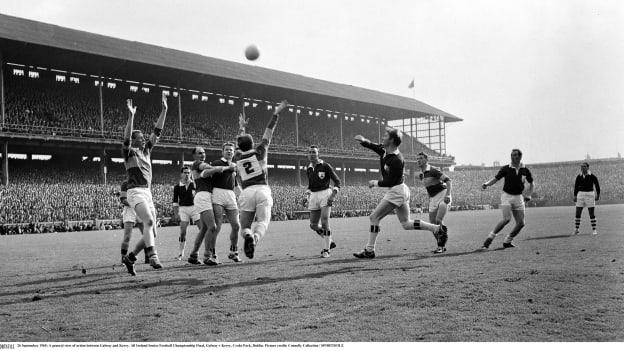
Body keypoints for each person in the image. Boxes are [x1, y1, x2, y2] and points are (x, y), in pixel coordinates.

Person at [352, 128, 447, 259]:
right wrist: (364, 141)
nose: (383, 137)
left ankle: (369, 250)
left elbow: (390, 181)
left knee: (374, 217)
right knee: (406, 224)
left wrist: (375, 183)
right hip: (400, 190)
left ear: (391, 140)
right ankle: (436, 229)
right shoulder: (386, 151)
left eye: (386, 135)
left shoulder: (397, 159)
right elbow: (373, 146)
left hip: (396, 190)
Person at [121, 92, 168, 276]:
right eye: (139, 138)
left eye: (142, 138)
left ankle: (130, 258)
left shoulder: (147, 151)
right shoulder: (129, 153)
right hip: (135, 192)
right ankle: (153, 255)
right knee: (148, 221)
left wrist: (164, 110)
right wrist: (131, 116)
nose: (143, 139)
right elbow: (125, 138)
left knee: (152, 231)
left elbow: (157, 131)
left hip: (147, 192)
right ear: (134, 141)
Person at [233, 100, 288, 259]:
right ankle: (255, 239)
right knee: (263, 222)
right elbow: (268, 131)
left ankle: (248, 235)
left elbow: (239, 143)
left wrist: (242, 127)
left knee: (244, 226)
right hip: (262, 189)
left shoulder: (237, 156)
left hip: (246, 192)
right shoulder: (260, 150)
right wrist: (275, 114)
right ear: (252, 143)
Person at [480, 149, 535, 249]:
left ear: (519, 157)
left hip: (519, 197)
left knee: (521, 223)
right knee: (507, 219)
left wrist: (529, 195)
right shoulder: (506, 168)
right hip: (507, 196)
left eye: (515, 155)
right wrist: (487, 184)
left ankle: (507, 241)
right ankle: (489, 239)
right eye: (511, 155)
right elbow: (496, 179)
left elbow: (532, 183)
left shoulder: (525, 170)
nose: (512, 157)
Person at [210, 142, 244, 263]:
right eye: (227, 150)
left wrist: (243, 195)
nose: (229, 151)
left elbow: (235, 184)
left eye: (231, 150)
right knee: (217, 225)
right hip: (217, 193)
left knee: (236, 225)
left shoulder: (234, 166)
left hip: (230, 194)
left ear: (233, 152)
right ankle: (212, 254)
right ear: (222, 151)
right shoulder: (216, 163)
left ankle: (233, 252)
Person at [305, 145, 340, 258]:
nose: (312, 154)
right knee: (313, 225)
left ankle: (326, 250)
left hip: (325, 193)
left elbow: (337, 181)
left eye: (314, 152)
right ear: (308, 155)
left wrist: (332, 196)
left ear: (318, 154)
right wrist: (306, 196)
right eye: (310, 152)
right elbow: (310, 186)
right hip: (314, 196)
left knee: (324, 222)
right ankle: (330, 240)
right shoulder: (309, 168)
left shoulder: (325, 166)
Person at [416, 152, 451, 253]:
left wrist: (448, 195)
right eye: (417, 159)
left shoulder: (433, 170)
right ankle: (441, 246)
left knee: (438, 220)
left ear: (426, 160)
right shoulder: (422, 174)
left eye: (421, 158)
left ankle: (441, 244)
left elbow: (448, 181)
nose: (419, 160)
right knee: (432, 225)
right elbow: (429, 187)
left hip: (443, 194)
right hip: (433, 198)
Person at [187, 147, 218, 265]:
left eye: (204, 153)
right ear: (194, 155)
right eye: (199, 153)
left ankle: (193, 255)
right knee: (212, 227)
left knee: (205, 228)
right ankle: (207, 256)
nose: (202, 154)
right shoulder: (197, 164)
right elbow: (206, 167)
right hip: (203, 196)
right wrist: (221, 168)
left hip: (205, 195)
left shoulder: (201, 165)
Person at [172, 166, 200, 260]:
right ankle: (181, 253)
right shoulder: (177, 187)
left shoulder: (195, 184)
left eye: (188, 172)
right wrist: (176, 214)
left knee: (202, 229)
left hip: (195, 208)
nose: (187, 174)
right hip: (183, 209)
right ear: (181, 174)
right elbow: (175, 202)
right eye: (185, 172)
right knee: (183, 231)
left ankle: (200, 251)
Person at [119, 180, 145, 264]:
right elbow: (123, 200)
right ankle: (123, 258)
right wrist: (133, 204)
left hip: (140, 209)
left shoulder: (141, 182)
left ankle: (148, 256)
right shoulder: (125, 183)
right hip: (129, 210)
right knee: (127, 237)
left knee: (146, 235)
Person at [573, 162, 600, 235]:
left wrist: (598, 195)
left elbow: (597, 186)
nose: (582, 168)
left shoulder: (592, 176)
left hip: (590, 194)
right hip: (580, 194)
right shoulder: (579, 176)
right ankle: (577, 229)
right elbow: (576, 186)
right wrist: (575, 195)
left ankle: (594, 230)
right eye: (581, 166)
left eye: (584, 166)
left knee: (591, 213)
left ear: (588, 167)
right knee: (578, 212)